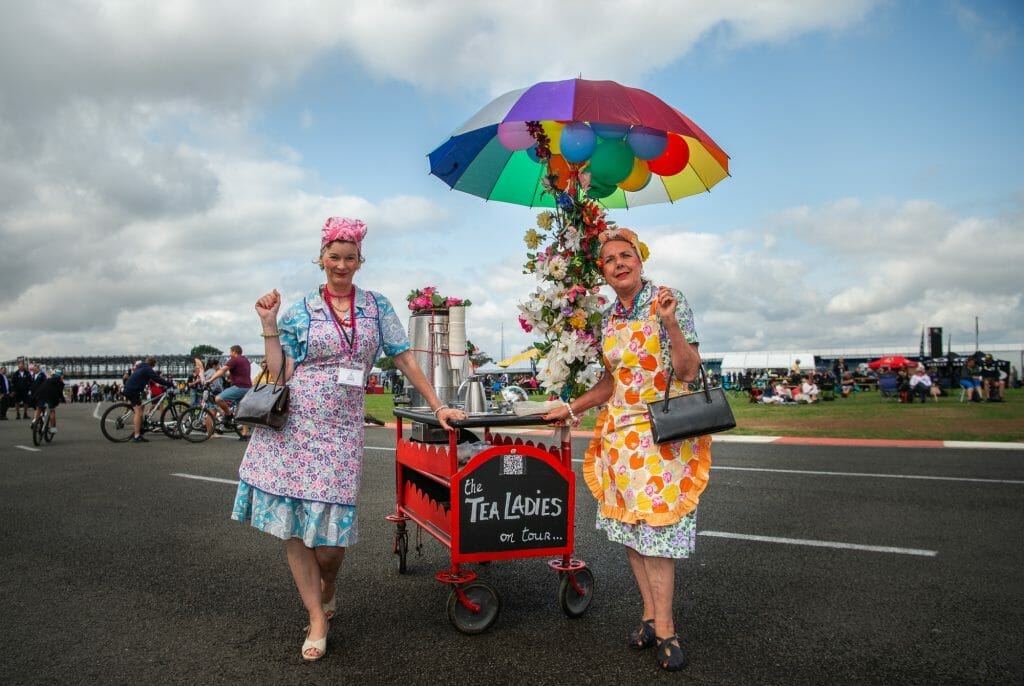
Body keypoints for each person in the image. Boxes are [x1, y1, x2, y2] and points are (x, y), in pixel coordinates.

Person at [230, 217, 467, 662]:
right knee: (295, 526)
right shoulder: (302, 309)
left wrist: (438, 406)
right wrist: (269, 324)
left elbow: (404, 358)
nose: (341, 265)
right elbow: (280, 372)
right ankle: (316, 617)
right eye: (333, 257)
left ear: (360, 261)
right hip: (296, 427)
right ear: (321, 258)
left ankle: (329, 583)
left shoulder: (376, 307)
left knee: (332, 544)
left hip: (341, 431)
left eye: (349, 258)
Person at [543, 227, 709, 672]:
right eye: (610, 259)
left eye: (626, 256)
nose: (619, 263)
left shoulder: (668, 301)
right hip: (620, 438)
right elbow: (610, 382)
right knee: (633, 535)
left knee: (656, 534)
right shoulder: (609, 317)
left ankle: (668, 631)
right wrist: (570, 408)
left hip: (662, 435)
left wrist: (670, 323)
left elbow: (688, 371)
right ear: (602, 271)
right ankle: (650, 617)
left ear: (640, 260)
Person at [123, 357, 174, 442]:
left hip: (129, 389)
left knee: (141, 407)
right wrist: (169, 383)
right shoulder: (147, 369)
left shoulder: (141, 367)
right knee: (138, 412)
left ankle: (140, 427)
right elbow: (157, 378)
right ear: (153, 365)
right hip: (133, 390)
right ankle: (136, 436)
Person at [206, 345, 252, 424]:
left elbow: (222, 370)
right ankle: (243, 431)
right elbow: (238, 373)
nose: (230, 354)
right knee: (241, 412)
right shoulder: (245, 360)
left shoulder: (234, 359)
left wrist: (210, 380)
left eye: (230, 352)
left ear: (234, 352)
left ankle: (229, 414)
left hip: (239, 387)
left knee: (218, 399)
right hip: (248, 388)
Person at [32, 369, 65, 433]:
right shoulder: (60, 383)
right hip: (51, 398)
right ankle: (53, 429)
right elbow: (60, 393)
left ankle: (35, 421)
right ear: (60, 376)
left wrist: (34, 398)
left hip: (40, 395)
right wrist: (63, 400)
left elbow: (40, 389)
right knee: (52, 411)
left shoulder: (47, 380)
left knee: (39, 408)